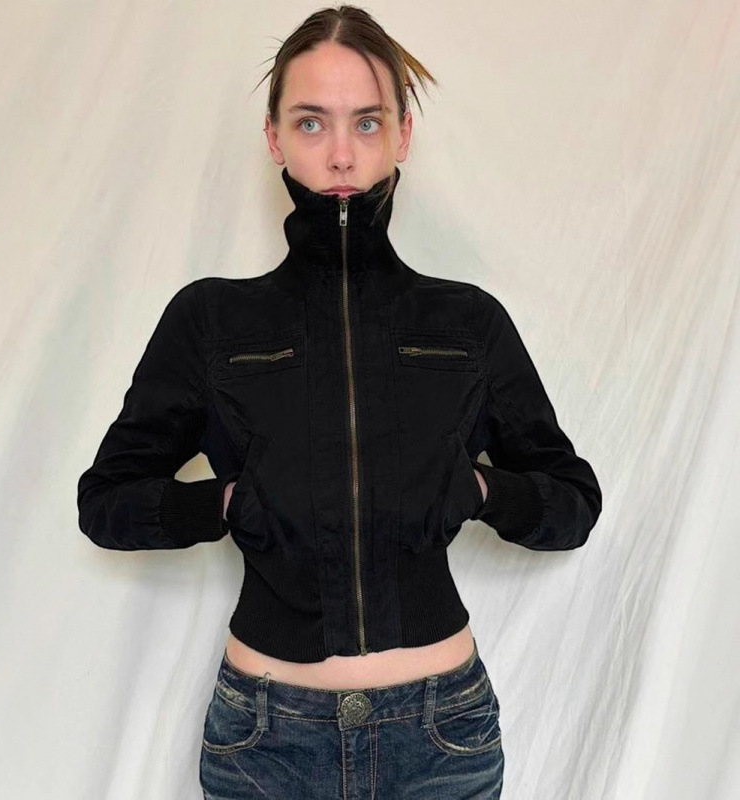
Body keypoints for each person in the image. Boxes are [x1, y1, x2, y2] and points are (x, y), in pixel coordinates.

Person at [77, 5, 602, 798]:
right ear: (274, 137)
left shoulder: (467, 323)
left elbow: (573, 504)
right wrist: (226, 503)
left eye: (367, 120)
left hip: (440, 738)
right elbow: (106, 503)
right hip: (265, 742)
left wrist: (479, 489)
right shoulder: (211, 320)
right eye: (311, 122)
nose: (342, 152)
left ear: (402, 134)